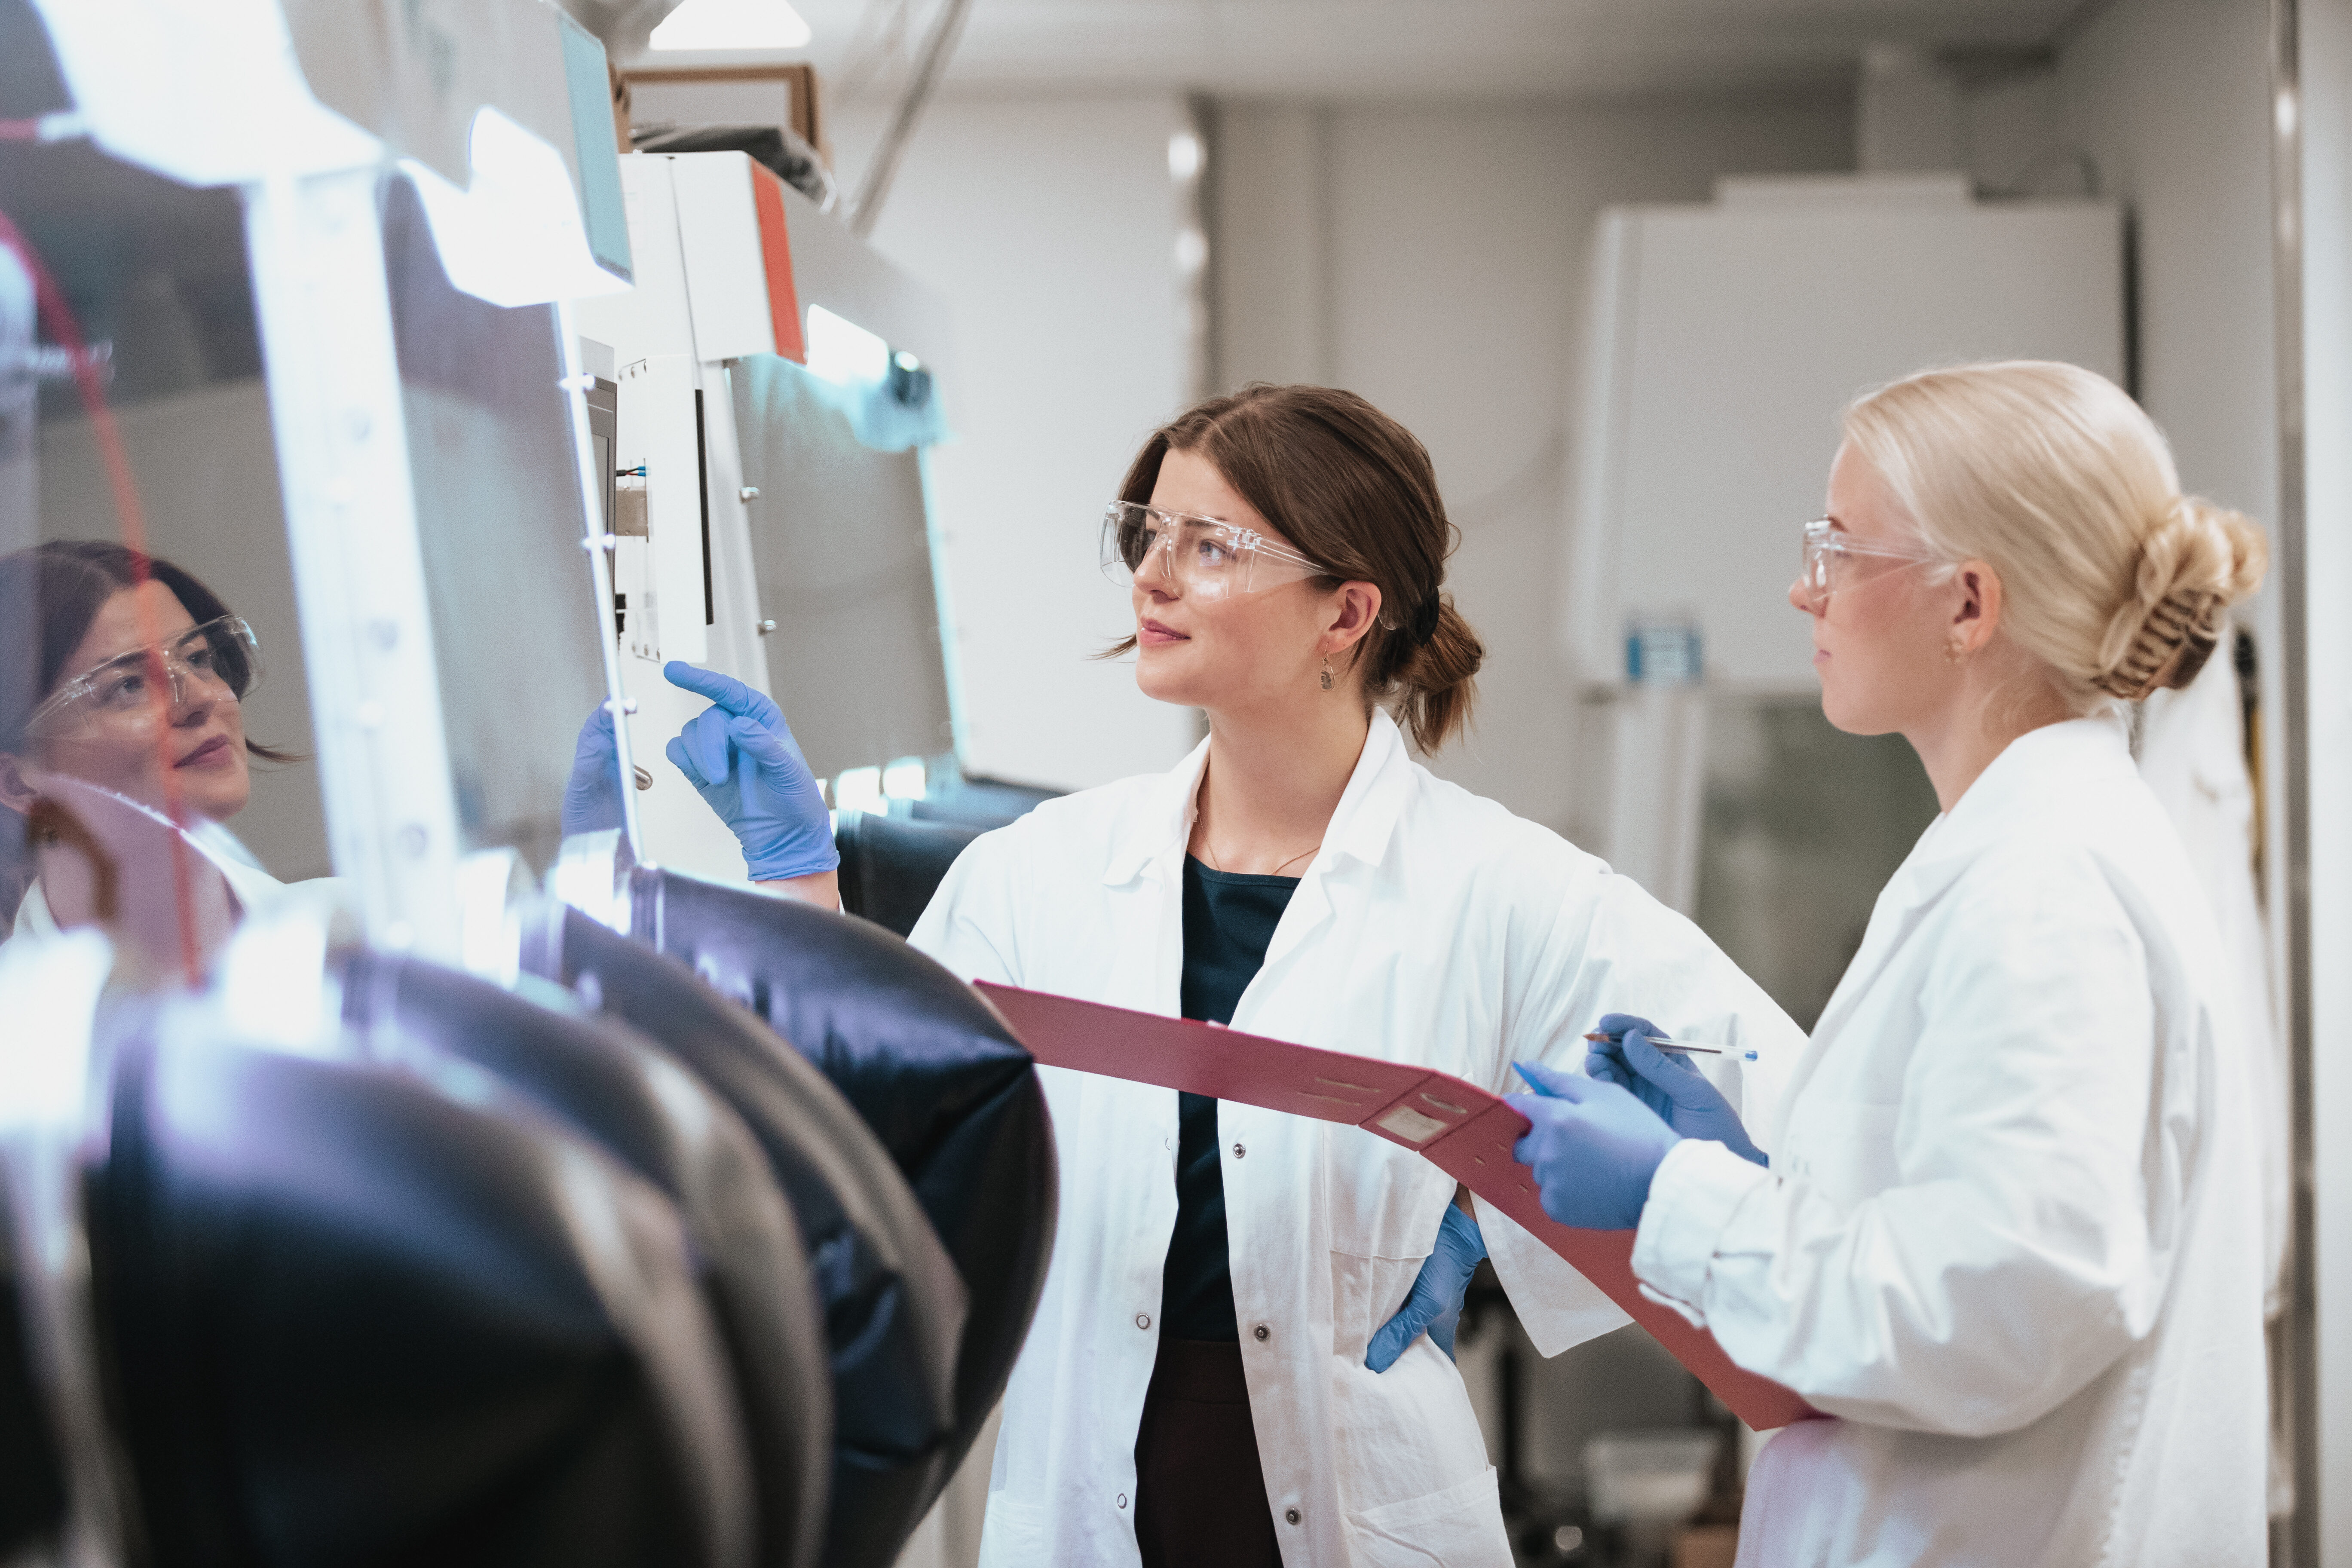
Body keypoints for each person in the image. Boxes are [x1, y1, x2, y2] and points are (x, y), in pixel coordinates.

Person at [650, 384, 1807, 1567]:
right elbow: (873, 1139)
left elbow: (1772, 1095)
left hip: (1362, 1513)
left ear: (1344, 612)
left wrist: (1493, 1218)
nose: (1152, 578)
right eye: (1148, 534)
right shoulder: (1038, 874)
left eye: (1208, 546)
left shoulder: (1502, 885)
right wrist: (799, 889)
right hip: (1091, 1501)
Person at [1509, 361, 2270, 1565]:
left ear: (1967, 604)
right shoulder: (2013, 853)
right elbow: (1953, 1230)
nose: (1801, 589)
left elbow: (1999, 1304)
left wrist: (1674, 1197)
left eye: (1839, 548)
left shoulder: (2045, 890)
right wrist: (1752, 1176)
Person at [0, 540, 308, 939]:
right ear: (18, 783)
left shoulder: (360, 936)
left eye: (197, 659)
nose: (203, 697)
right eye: (129, 685)